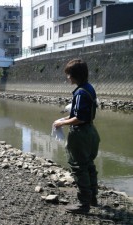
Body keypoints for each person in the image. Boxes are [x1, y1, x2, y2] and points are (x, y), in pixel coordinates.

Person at [53, 59, 100, 214]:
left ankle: (83, 204)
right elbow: (85, 115)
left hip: (80, 135)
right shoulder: (89, 88)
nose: (67, 78)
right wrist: (65, 119)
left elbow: (79, 118)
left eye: (68, 75)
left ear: (74, 75)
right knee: (89, 165)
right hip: (91, 132)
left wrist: (61, 123)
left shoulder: (79, 93)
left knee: (79, 167)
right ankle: (93, 197)